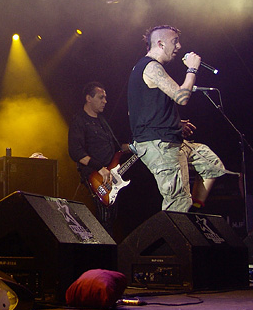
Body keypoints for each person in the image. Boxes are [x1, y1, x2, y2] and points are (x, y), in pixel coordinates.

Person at [127, 25, 234, 213]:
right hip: (159, 146)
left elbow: (146, 108)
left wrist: (175, 123)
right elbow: (182, 97)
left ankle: (195, 214)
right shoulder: (150, 67)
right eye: (174, 42)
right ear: (159, 43)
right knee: (178, 202)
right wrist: (192, 69)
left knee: (212, 165)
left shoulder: (149, 67)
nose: (179, 46)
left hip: (171, 140)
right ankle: (175, 238)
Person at [68, 82, 129, 235]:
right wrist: (99, 168)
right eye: (101, 97)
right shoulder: (79, 121)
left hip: (110, 177)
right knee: (100, 221)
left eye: (106, 98)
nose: (105, 101)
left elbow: (116, 147)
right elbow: (75, 152)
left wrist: (134, 147)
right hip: (93, 178)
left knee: (110, 220)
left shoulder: (103, 121)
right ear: (89, 98)